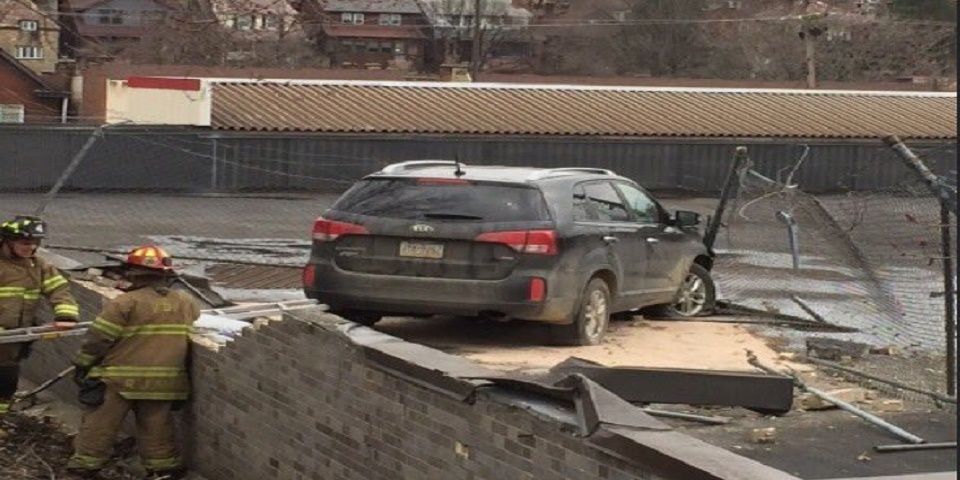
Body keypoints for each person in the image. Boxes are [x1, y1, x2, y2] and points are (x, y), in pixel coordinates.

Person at [67, 245, 199, 480]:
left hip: (119, 379)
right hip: (166, 382)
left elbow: (98, 339)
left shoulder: (125, 303)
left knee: (100, 425)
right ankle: (163, 470)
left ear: (133, 273)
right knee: (157, 428)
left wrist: (83, 363)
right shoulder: (186, 303)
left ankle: (84, 468)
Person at [0, 215, 79, 419]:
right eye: (25, 243)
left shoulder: (37, 266)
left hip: (13, 340)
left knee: (6, 384)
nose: (31, 248)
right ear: (8, 240)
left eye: (35, 243)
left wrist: (66, 315)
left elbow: (59, 289)